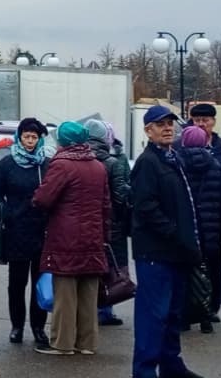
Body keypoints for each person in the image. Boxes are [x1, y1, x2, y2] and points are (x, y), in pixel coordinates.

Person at [130, 105, 204, 378]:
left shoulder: (173, 158)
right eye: (161, 124)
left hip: (176, 252)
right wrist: (174, 231)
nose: (168, 128)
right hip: (155, 253)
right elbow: (145, 206)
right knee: (153, 317)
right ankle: (144, 371)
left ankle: (172, 367)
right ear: (148, 130)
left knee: (173, 315)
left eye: (170, 123)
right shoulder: (148, 163)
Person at [32, 121, 110, 356]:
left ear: (63, 141)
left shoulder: (62, 164)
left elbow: (43, 199)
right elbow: (106, 205)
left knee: (65, 291)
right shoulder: (98, 166)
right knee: (88, 292)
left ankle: (62, 343)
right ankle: (87, 343)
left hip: (66, 237)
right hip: (93, 236)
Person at [0, 117, 50, 348]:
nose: (30, 141)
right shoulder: (7, 163)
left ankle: (38, 327)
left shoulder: (46, 164)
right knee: (17, 282)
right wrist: (3, 211)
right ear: (19, 137)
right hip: (16, 230)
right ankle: (17, 326)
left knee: (40, 282)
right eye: (26, 136)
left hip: (42, 230)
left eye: (34, 137)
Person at [189, 102, 221, 324]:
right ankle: (191, 304)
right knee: (191, 260)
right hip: (192, 214)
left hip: (217, 215)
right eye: (197, 120)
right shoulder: (182, 146)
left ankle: (212, 305)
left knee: (213, 262)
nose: (201, 124)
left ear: (213, 121)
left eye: (205, 120)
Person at [176, 125, 221, 334]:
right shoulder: (215, 165)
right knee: (207, 271)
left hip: (187, 226)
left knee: (184, 272)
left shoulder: (178, 164)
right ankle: (207, 315)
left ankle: (184, 317)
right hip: (211, 227)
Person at [87, 119, 132, 328]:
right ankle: (105, 309)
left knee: (91, 267)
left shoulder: (80, 158)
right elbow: (120, 195)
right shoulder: (114, 161)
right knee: (111, 267)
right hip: (112, 222)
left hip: (87, 222)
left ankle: (89, 309)